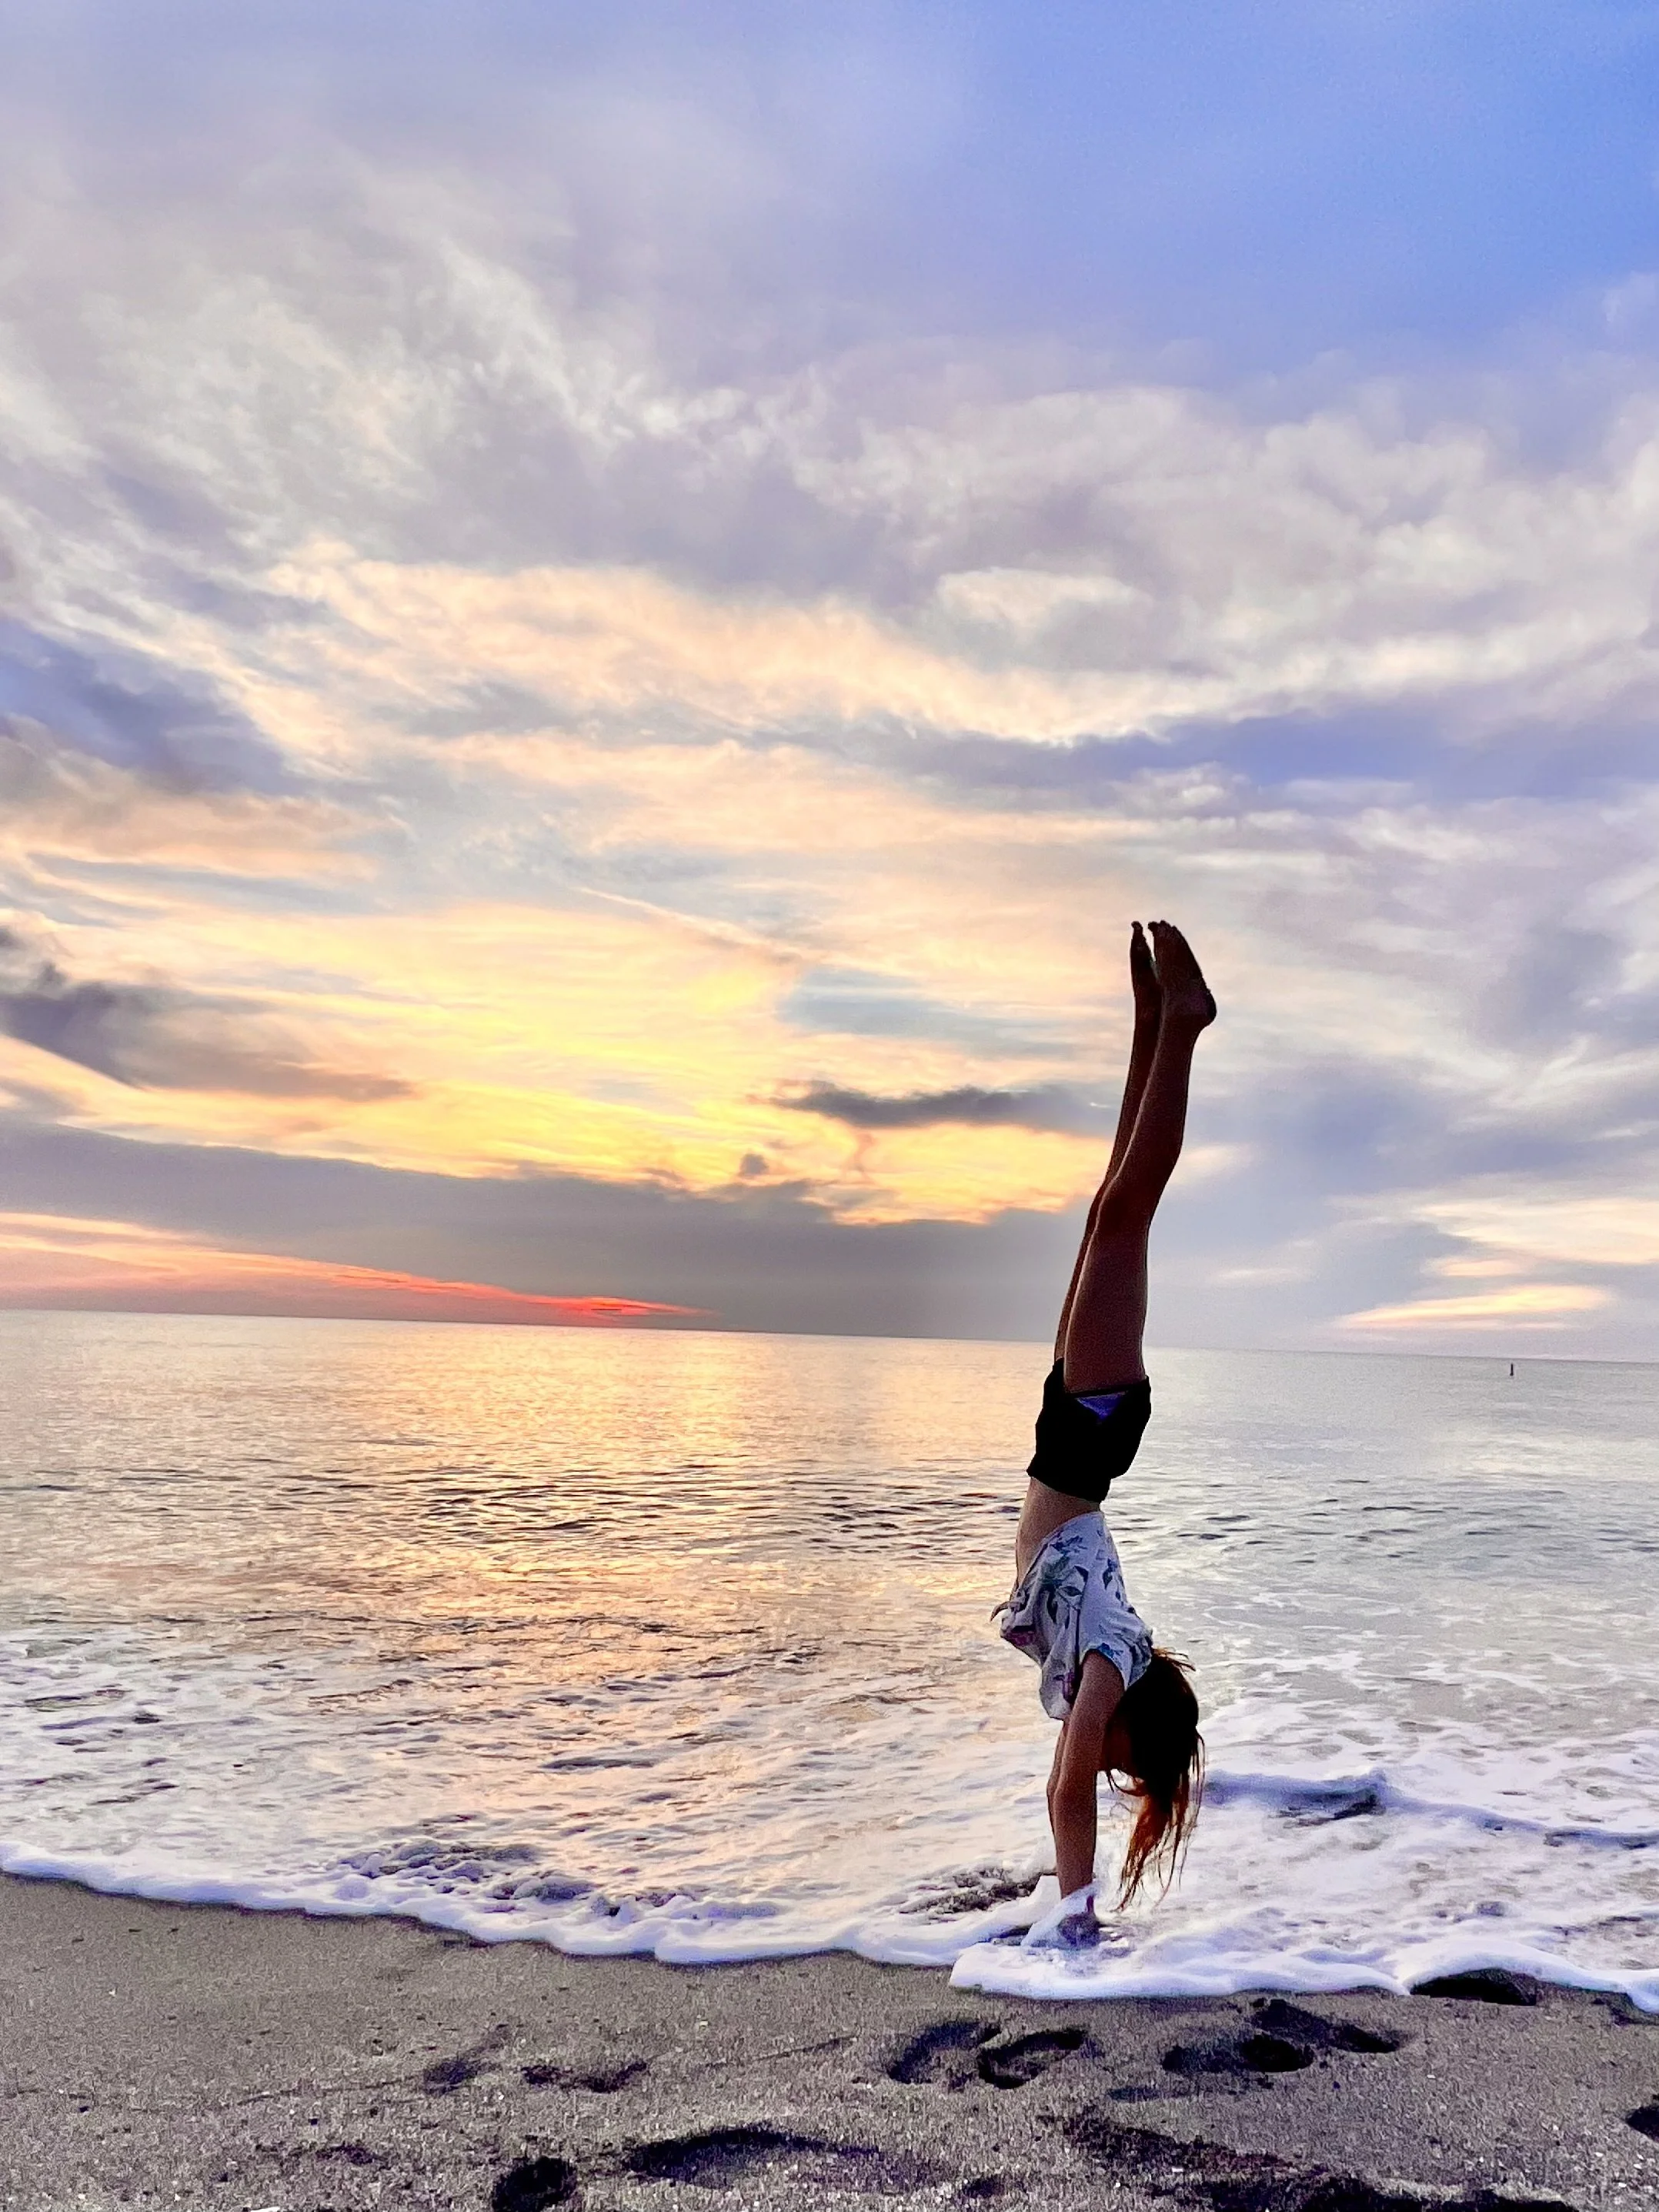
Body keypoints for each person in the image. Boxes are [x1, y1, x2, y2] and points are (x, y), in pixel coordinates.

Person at [996, 919, 1211, 1940]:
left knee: (1106, 1213)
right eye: (1129, 1755)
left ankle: (1150, 1024)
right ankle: (1180, 1028)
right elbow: (1074, 1777)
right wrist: (1078, 1915)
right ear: (1138, 1716)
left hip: (1073, 1439)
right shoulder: (1114, 1664)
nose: (1105, 1755)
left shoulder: (1111, 1662)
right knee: (1127, 1212)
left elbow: (1062, 1783)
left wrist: (1068, 1904)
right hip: (1086, 1439)